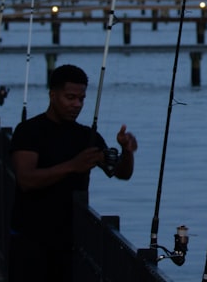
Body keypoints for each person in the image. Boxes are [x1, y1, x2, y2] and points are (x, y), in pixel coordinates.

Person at [8, 64, 138, 282]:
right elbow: (26, 179)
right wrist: (72, 165)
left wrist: (127, 151)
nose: (76, 105)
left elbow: (120, 173)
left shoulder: (87, 137)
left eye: (81, 99)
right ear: (52, 94)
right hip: (30, 237)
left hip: (72, 240)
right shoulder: (28, 131)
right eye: (70, 97)